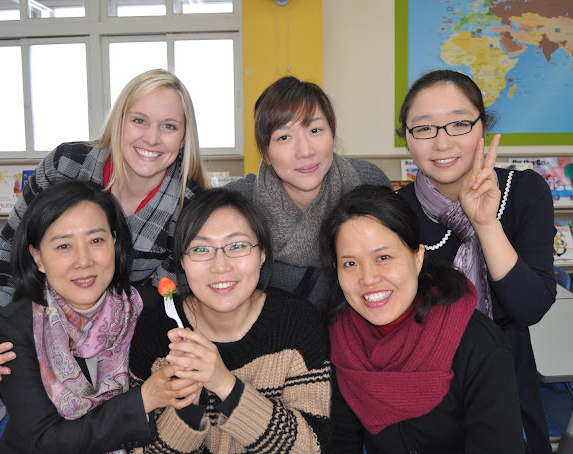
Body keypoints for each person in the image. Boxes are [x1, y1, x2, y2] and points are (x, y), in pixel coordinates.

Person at [0, 68, 209, 430]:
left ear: (184, 138)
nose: (152, 138)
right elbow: (11, 244)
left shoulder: (188, 208)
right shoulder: (66, 164)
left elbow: (164, 302)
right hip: (35, 328)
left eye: (169, 126)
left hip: (115, 347)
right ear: (119, 121)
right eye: (139, 120)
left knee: (92, 431)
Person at [396, 69, 555, 454]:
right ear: (408, 138)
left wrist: (485, 224)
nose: (442, 142)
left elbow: (530, 308)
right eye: (424, 128)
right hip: (425, 383)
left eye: (459, 124)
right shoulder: (394, 211)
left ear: (483, 127)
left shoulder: (524, 191)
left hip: (509, 372)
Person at [0, 181, 202, 453]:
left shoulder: (151, 308)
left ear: (114, 241)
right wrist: (144, 400)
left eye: (96, 240)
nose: (84, 261)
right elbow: (44, 441)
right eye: (64, 246)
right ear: (38, 257)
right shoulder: (14, 329)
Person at [320, 185, 525, 453]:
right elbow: (340, 444)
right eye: (350, 263)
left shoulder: (479, 346)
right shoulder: (341, 341)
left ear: (417, 258)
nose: (368, 278)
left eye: (383, 257)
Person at [128, 188, 332, 453]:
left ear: (262, 254)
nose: (220, 266)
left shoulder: (298, 324)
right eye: (201, 249)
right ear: (181, 261)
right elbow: (137, 448)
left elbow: (311, 447)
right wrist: (189, 405)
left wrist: (225, 384)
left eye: (237, 246)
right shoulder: (156, 331)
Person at [226, 76, 392, 309]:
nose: (305, 151)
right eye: (284, 137)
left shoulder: (368, 182)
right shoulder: (237, 203)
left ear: (332, 134)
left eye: (315, 130)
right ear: (265, 153)